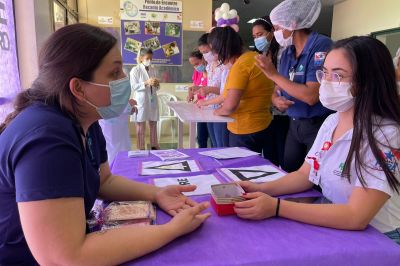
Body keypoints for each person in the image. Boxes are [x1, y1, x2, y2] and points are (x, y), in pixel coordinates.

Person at [0, 24, 210, 265]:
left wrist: (157, 194)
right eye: (114, 73)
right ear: (78, 87)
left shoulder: (84, 120)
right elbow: (66, 258)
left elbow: (104, 180)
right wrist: (170, 231)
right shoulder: (47, 140)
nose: (124, 80)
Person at [235, 36, 400, 244]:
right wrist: (261, 188)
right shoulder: (332, 121)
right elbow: (305, 174)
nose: (327, 83)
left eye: (338, 76)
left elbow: (356, 216)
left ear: (368, 81)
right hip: (336, 222)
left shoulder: (386, 134)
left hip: (377, 238)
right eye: (325, 73)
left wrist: (277, 207)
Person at [255, 0, 333, 172]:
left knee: (314, 177)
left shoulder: (321, 45)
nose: (275, 34)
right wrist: (276, 99)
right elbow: (278, 86)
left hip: (317, 125)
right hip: (294, 124)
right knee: (289, 169)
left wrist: (273, 73)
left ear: (291, 24)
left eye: (276, 28)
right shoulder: (288, 52)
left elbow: (311, 96)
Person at [210, 26, 275, 157]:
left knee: (241, 170)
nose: (215, 57)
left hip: (244, 128)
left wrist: (217, 111)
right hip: (263, 123)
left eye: (215, 52)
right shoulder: (256, 57)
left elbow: (230, 106)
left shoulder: (240, 66)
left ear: (223, 49)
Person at [252, 16, 288, 167]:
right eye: (254, 36)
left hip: (282, 111)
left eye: (260, 35)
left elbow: (282, 80)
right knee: (269, 155)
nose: (257, 39)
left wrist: (274, 96)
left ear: (272, 31)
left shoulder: (283, 52)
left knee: (282, 154)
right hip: (266, 112)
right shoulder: (264, 54)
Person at [195, 33, 228, 148]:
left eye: (206, 52)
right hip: (210, 109)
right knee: (213, 144)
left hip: (221, 109)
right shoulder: (209, 66)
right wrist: (198, 89)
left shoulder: (224, 65)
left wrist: (209, 89)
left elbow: (227, 91)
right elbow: (210, 86)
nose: (205, 56)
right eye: (202, 53)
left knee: (221, 146)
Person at [130, 48, 160, 150]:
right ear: (141, 58)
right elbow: (133, 86)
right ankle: (141, 148)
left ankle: (154, 146)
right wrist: (146, 83)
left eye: (151, 58)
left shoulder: (153, 69)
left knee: (153, 124)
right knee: (140, 126)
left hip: (152, 100)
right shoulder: (135, 70)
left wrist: (157, 84)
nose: (149, 61)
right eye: (147, 58)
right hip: (141, 101)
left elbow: (157, 87)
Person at [188, 50, 210, 148]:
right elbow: (194, 85)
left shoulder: (212, 71)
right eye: (193, 65)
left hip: (211, 107)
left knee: (212, 139)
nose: (196, 67)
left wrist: (200, 89)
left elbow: (215, 88)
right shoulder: (197, 72)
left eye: (197, 63)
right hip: (201, 108)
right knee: (201, 137)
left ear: (203, 58)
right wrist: (191, 92)